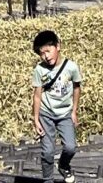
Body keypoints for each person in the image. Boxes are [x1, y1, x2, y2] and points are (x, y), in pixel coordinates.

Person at [30, 29, 82, 176]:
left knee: (70, 147)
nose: (46, 56)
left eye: (48, 50)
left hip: (65, 113)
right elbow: (37, 96)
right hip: (46, 114)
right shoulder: (39, 70)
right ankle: (47, 180)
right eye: (42, 54)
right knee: (47, 152)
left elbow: (77, 88)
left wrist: (74, 111)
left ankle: (64, 165)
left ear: (58, 46)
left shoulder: (71, 67)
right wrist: (36, 120)